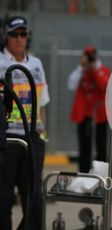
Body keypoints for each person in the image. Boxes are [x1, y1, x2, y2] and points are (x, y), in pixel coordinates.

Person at [0, 15, 50, 230]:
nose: (19, 39)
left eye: (23, 34)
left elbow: (42, 103)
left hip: (32, 138)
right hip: (6, 139)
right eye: (14, 34)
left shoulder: (36, 64)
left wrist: (42, 135)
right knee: (2, 199)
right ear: (6, 36)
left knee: (35, 200)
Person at [68, 46, 110, 173]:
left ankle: (102, 174)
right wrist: (81, 68)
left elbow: (105, 86)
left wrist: (95, 70)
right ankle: (84, 172)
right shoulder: (81, 72)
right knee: (84, 147)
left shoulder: (103, 70)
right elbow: (71, 84)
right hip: (85, 115)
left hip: (100, 115)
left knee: (101, 146)